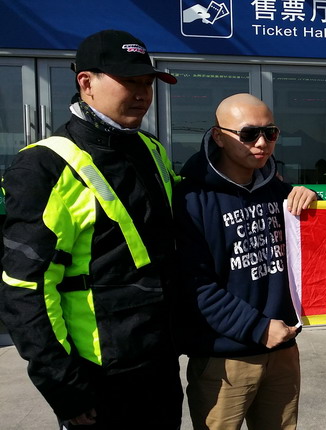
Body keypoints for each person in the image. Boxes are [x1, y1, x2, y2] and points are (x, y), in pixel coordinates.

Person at [0, 30, 182, 428]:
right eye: (130, 81)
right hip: (99, 376)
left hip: (159, 362)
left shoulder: (149, 148)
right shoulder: (45, 166)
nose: (143, 94)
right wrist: (63, 385)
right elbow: (25, 287)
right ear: (86, 82)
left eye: (147, 83)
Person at [173, 93, 316, 430]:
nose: (262, 143)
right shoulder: (190, 200)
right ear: (219, 136)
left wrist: (314, 201)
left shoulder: (280, 193)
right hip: (224, 358)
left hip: (283, 349)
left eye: (271, 132)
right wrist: (256, 327)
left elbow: (318, 248)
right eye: (249, 134)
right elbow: (194, 285)